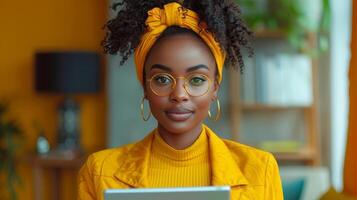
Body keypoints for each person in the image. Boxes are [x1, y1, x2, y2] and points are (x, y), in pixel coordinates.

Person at [78, 1, 283, 200]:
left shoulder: (260, 170)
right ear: (145, 87)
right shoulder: (99, 171)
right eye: (162, 79)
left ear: (214, 88)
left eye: (196, 80)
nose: (179, 94)